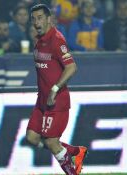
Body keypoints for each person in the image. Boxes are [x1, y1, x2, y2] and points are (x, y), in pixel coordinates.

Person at [27, 4, 87, 175]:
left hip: (57, 101)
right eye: (33, 19)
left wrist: (54, 89)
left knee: (51, 143)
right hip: (42, 101)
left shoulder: (57, 40)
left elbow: (72, 67)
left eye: (40, 18)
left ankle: (73, 172)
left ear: (48, 18)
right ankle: (75, 152)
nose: (36, 22)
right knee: (32, 138)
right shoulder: (39, 40)